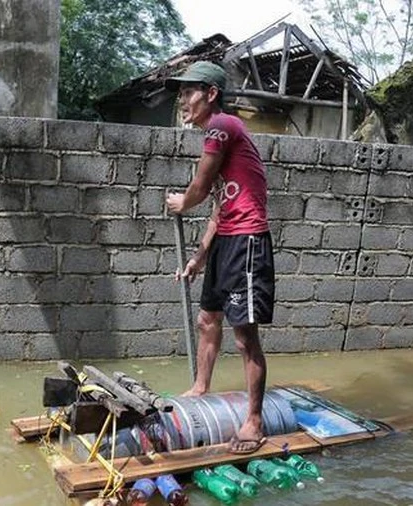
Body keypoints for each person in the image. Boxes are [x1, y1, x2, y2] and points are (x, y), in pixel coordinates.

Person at [164, 61, 275, 455]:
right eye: (180, 93)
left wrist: (182, 201)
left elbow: (200, 186)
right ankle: (200, 386)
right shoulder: (219, 134)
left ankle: (254, 420)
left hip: (247, 242)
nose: (183, 100)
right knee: (207, 319)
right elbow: (218, 208)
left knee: (245, 337)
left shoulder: (222, 126)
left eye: (189, 92)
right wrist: (198, 257)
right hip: (227, 240)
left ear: (211, 94)